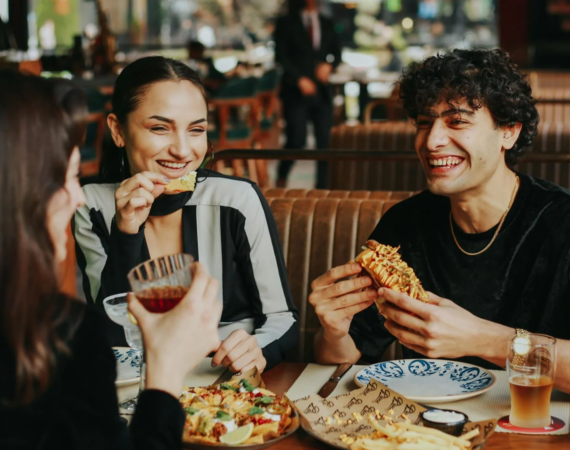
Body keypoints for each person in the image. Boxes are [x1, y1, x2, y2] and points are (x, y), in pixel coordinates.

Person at [309, 48, 570, 393]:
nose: (431, 141)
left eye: (457, 121)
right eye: (424, 122)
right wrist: (333, 331)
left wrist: (485, 340)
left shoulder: (560, 223)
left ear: (509, 131)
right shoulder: (404, 226)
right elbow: (343, 359)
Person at [0, 71, 222, 449]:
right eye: (67, 178)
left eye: (196, 129)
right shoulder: (60, 336)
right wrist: (165, 368)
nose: (78, 197)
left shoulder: (235, 200)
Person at [73, 56, 298, 374]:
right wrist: (126, 233)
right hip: (139, 383)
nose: (182, 150)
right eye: (160, 128)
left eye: (196, 130)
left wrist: (255, 350)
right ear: (118, 130)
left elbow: (282, 319)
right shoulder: (92, 207)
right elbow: (113, 334)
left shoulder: (237, 200)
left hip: (226, 381)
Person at [274, 0, 341, 189]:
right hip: (295, 92)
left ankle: (322, 187)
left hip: (322, 91)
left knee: (325, 142)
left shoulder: (327, 22)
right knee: (296, 139)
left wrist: (329, 65)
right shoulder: (286, 22)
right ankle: (282, 177)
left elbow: (337, 52)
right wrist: (299, 79)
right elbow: (281, 56)